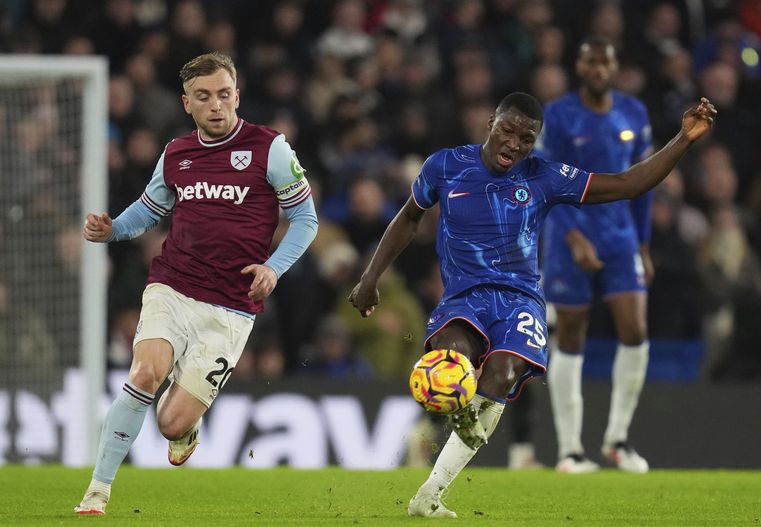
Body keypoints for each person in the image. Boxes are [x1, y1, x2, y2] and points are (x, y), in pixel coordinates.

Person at [348, 91, 715, 517]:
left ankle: (430, 493)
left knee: (501, 377)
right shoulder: (446, 166)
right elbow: (409, 217)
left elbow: (629, 183)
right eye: (508, 131)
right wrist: (370, 277)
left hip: (520, 300)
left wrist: (683, 140)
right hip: (464, 297)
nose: (514, 145)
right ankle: (457, 408)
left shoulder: (545, 176)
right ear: (490, 123)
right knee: (451, 359)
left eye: (526, 138)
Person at [75, 52, 318, 515]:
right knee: (145, 372)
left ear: (237, 96)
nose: (216, 105)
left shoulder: (272, 148)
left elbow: (305, 219)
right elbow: (149, 211)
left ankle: (186, 427)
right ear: (188, 103)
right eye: (204, 97)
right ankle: (98, 490)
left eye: (224, 95)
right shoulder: (177, 153)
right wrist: (112, 229)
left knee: (169, 423)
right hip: (173, 283)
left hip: (231, 307)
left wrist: (273, 267)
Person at [537, 35, 656, 474]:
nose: (599, 70)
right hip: (571, 233)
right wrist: (571, 237)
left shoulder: (634, 112)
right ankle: (570, 449)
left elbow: (644, 182)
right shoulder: (560, 115)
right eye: (591, 63)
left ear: (615, 66)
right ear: (580, 67)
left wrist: (643, 244)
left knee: (635, 329)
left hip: (621, 235)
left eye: (606, 63)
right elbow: (546, 183)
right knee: (570, 331)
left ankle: (618, 439)